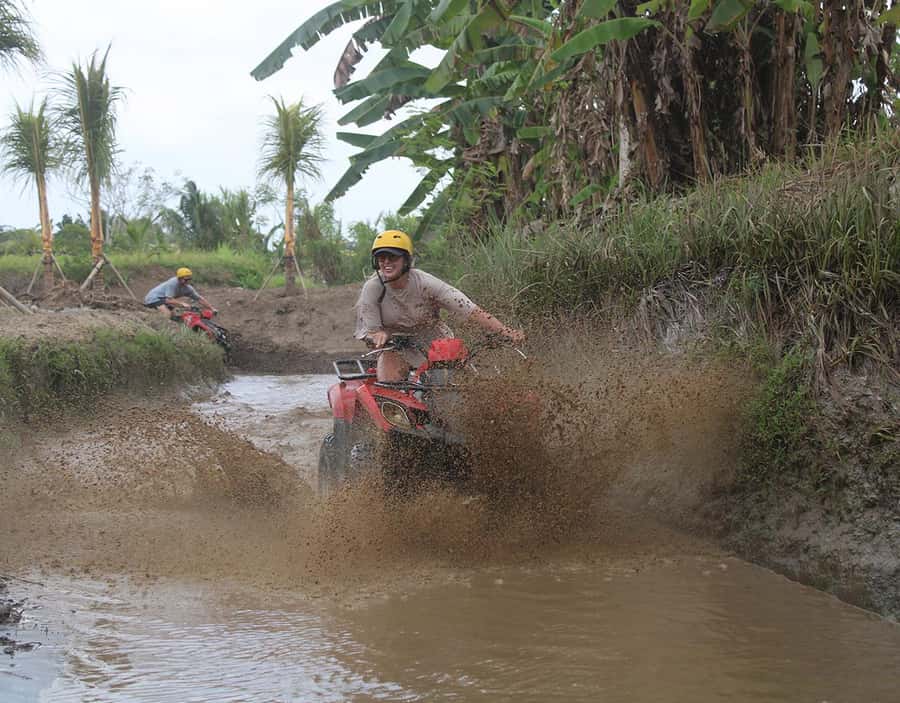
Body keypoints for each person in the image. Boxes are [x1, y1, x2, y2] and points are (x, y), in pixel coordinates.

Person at [355, 230, 524, 382]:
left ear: (406, 260)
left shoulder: (427, 284)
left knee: (458, 382)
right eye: (381, 258)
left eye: (392, 257)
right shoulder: (373, 288)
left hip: (433, 339)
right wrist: (378, 336)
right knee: (388, 383)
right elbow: (373, 331)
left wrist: (505, 331)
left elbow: (470, 310)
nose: (386, 262)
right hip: (395, 345)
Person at [143, 267, 216, 318]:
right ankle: (160, 330)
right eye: (186, 280)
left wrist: (212, 308)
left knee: (177, 314)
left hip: (164, 299)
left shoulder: (188, 288)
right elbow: (169, 300)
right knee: (167, 314)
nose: (188, 281)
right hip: (153, 298)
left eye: (189, 279)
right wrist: (182, 303)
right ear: (179, 278)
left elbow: (199, 299)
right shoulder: (172, 283)